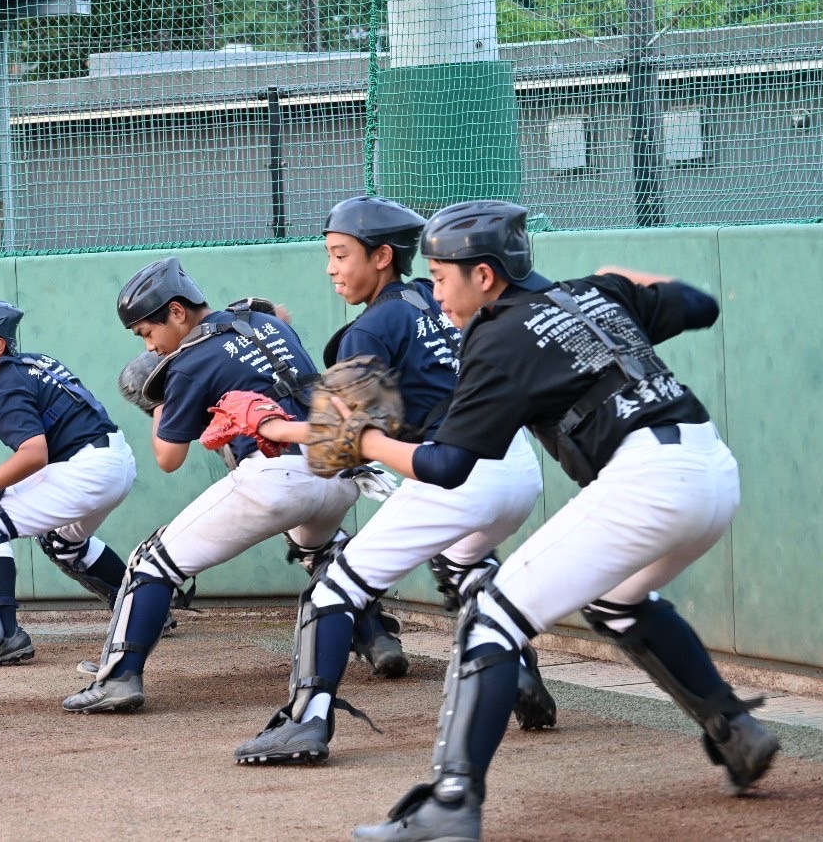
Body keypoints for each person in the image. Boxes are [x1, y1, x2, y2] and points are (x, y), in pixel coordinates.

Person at [254, 200, 779, 840]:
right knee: (619, 603)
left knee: (489, 619)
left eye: (444, 277)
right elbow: (701, 305)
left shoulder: (498, 335)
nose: (438, 293)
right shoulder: (592, 294)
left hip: (647, 482)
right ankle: (736, 731)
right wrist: (623, 284)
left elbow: (446, 466)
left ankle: (450, 804)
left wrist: (361, 441)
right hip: (711, 470)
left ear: (484, 275)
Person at [233, 196, 555, 767]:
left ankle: (305, 724)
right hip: (520, 467)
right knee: (463, 564)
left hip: (457, 472)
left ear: (382, 256)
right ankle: (524, 680)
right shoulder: (439, 298)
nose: (331, 268)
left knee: (333, 589)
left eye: (340, 255)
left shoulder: (370, 329)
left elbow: (336, 444)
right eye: (328, 256)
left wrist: (271, 425)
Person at [62, 257, 361, 713]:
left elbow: (168, 458)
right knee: (321, 552)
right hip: (340, 471)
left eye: (147, 333)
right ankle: (378, 639)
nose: (151, 348)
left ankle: (119, 678)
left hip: (276, 474)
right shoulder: (259, 321)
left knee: (150, 561)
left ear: (177, 312)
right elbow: (282, 319)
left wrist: (156, 401)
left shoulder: (187, 362)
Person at [0, 298, 137, 667]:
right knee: (65, 541)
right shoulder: (32, 363)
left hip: (87, 469)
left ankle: (1, 637)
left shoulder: (5, 384)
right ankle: (139, 611)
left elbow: (34, 455)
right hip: (115, 460)